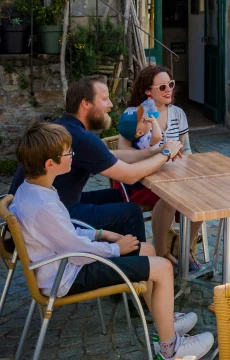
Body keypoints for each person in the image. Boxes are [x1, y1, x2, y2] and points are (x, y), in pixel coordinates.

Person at [9, 122, 214, 360]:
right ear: (49, 164)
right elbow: (76, 253)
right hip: (67, 275)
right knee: (164, 267)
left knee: (146, 249)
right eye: (68, 153)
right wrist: (116, 248)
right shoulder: (43, 205)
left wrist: (100, 234)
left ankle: (164, 321)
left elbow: (64, 233)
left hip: (64, 264)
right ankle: (170, 349)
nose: (73, 156)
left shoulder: (33, 189)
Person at [8, 75, 184, 247]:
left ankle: (120, 252)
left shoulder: (64, 127)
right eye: (105, 99)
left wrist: (156, 150)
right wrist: (167, 153)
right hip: (50, 219)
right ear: (86, 103)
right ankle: (136, 265)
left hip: (36, 211)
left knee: (115, 196)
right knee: (131, 212)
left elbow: (111, 155)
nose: (111, 105)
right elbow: (130, 176)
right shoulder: (81, 138)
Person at [116, 65, 203, 271]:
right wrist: (159, 154)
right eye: (162, 86)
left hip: (174, 175)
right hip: (142, 180)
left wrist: (188, 165)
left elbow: (187, 148)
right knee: (170, 198)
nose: (169, 90)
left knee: (201, 198)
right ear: (148, 91)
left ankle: (184, 249)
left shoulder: (178, 113)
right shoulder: (135, 115)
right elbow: (122, 155)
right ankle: (162, 252)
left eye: (171, 84)